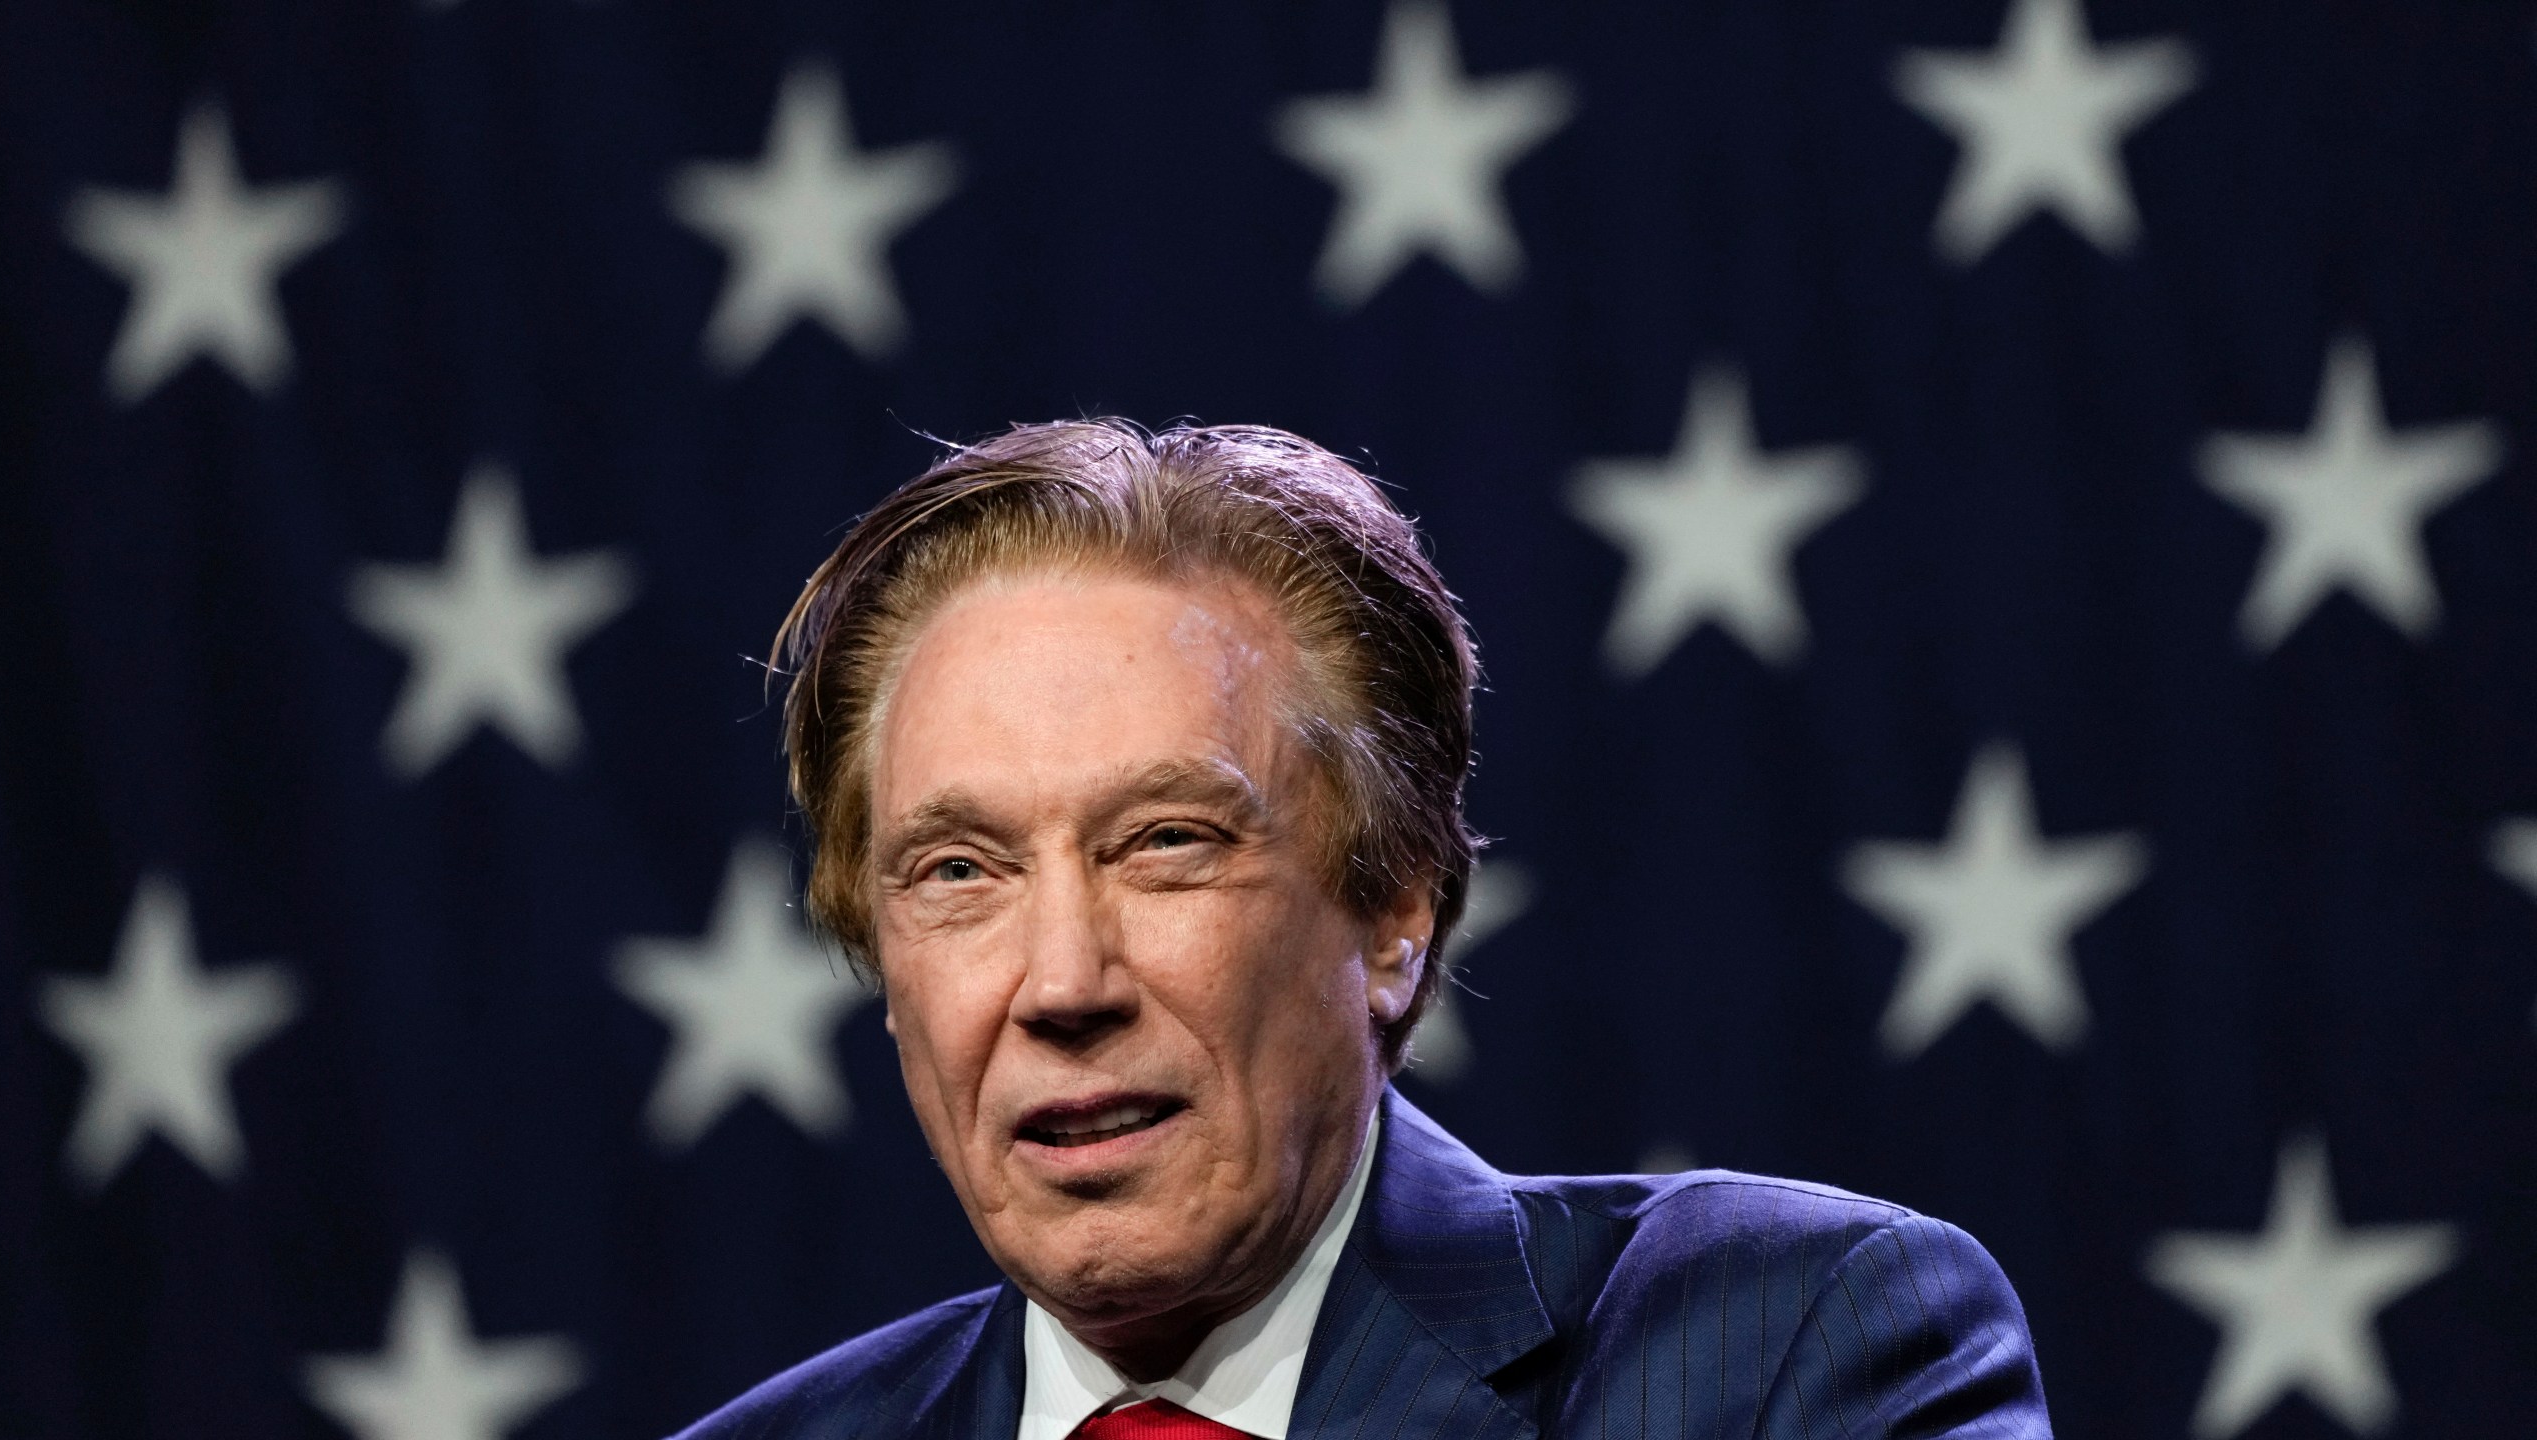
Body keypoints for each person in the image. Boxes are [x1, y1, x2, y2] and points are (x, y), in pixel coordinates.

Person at [684, 421, 2050, 1440]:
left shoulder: (1791, 1351)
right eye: (958, 870)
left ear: (1396, 907)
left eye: (1166, 845)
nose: (1061, 982)